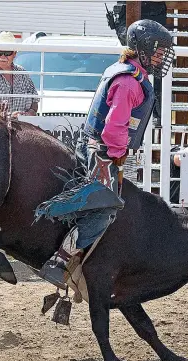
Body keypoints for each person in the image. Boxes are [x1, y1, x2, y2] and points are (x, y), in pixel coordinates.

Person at [36, 19, 175, 288]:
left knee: (110, 206)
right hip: (104, 151)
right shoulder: (129, 82)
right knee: (105, 206)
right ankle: (60, 261)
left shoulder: (128, 73)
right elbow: (114, 128)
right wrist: (119, 154)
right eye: (158, 51)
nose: (161, 57)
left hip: (101, 147)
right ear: (143, 49)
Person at [106, 1, 168, 122]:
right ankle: (152, 111)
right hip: (130, 11)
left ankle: (155, 111)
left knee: (154, 66)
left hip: (155, 10)